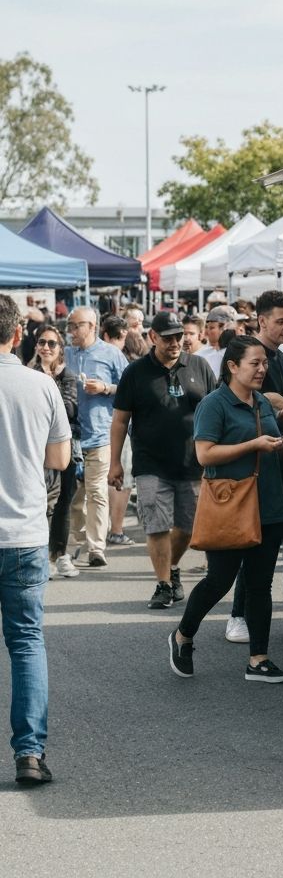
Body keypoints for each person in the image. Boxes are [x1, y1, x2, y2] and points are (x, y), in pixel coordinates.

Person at [168, 335, 283, 684]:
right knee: (219, 580)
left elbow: (267, 446)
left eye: (264, 363)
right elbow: (205, 455)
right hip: (230, 504)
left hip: (269, 504)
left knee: (260, 584)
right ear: (232, 367)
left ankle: (258, 660)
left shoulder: (261, 401)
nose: (262, 370)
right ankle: (182, 635)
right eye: (255, 364)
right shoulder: (214, 405)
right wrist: (254, 445)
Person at [0, 293, 72, 784]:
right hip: (23, 530)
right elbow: (60, 461)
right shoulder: (40, 385)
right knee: (26, 643)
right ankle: (29, 753)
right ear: (17, 333)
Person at [226, 290, 283, 642]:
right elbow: (271, 399)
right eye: (281, 320)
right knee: (257, 542)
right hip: (260, 464)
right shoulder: (248, 354)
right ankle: (238, 616)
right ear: (261, 320)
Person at [109, 311, 217, 609]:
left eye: (178, 337)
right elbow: (120, 421)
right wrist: (115, 462)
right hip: (150, 464)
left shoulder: (199, 366)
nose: (174, 343)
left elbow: (216, 410)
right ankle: (163, 584)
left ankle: (172, 567)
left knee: (189, 528)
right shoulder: (136, 372)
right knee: (156, 525)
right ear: (152, 337)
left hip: (192, 463)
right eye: (167, 337)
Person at [64, 306, 128, 568]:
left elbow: (129, 389)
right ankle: (77, 542)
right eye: (69, 326)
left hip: (101, 432)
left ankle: (96, 547)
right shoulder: (65, 354)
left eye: (76, 325)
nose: (71, 331)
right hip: (70, 435)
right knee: (74, 495)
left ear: (92, 326)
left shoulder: (111, 353)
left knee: (97, 492)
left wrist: (105, 387)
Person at [29, 326, 80, 580]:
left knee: (63, 502)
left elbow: (70, 409)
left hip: (63, 446)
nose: (46, 347)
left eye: (52, 343)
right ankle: (41, 556)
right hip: (35, 446)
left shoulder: (67, 375)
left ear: (60, 349)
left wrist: (48, 385)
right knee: (41, 501)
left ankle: (58, 555)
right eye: (42, 342)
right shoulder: (28, 374)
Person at [100, 316, 135, 547]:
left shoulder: (119, 355)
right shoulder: (116, 355)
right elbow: (128, 389)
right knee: (118, 478)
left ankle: (108, 531)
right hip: (113, 425)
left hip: (106, 425)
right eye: (121, 338)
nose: (123, 342)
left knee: (105, 482)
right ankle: (115, 530)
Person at [197, 305, 238, 376]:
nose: (207, 332)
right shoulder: (200, 356)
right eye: (207, 327)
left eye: (212, 328)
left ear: (226, 328)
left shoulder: (242, 353)